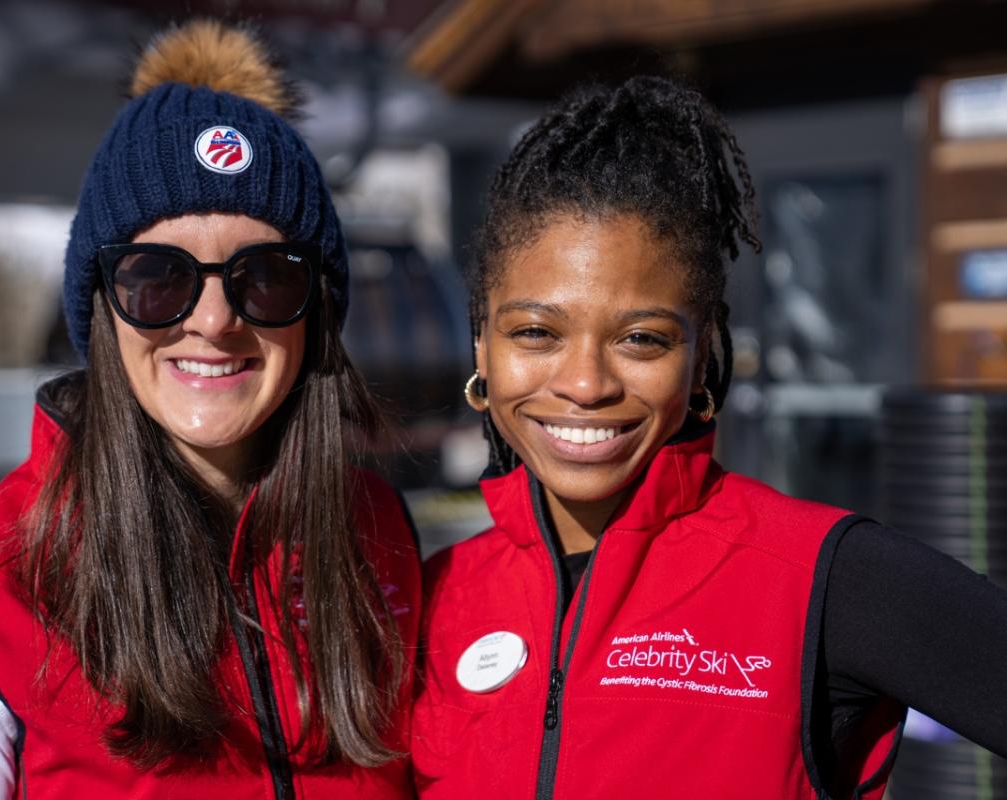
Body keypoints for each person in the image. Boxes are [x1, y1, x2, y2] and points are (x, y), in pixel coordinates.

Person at [0, 19, 420, 799]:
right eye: (157, 278)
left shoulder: (378, 538)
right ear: (102, 309)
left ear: (317, 309)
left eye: (267, 277)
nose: (215, 319)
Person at [411, 76, 1007, 799]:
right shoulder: (432, 599)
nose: (585, 382)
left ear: (702, 356)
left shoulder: (825, 576)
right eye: (536, 333)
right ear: (482, 345)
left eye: (641, 339)